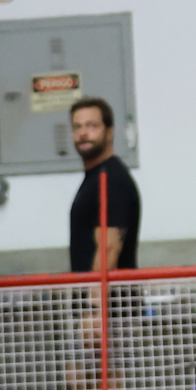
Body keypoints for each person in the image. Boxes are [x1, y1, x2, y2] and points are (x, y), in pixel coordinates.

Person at [69, 98, 140, 273]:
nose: (83, 133)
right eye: (77, 127)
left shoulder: (112, 179)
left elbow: (108, 250)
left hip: (109, 291)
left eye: (92, 126)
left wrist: (94, 292)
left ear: (109, 132)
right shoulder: (96, 176)